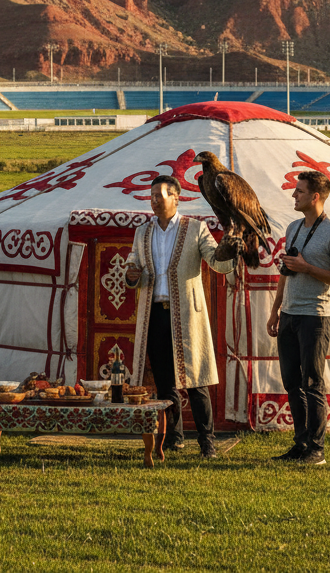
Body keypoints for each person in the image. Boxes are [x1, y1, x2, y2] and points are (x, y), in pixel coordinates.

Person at [124, 174, 236, 459]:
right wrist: (132, 275)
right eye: (151, 197)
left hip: (187, 314)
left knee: (196, 380)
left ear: (177, 197)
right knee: (164, 383)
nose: (153, 201)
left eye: (159, 196)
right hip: (155, 314)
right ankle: (173, 437)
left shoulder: (196, 229)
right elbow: (131, 267)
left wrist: (231, 248)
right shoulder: (142, 232)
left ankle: (207, 441)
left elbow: (217, 262)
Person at [267, 171, 330, 465]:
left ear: (315, 197)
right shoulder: (293, 228)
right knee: (291, 382)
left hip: (315, 316)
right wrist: (276, 309)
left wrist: (307, 268)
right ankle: (300, 444)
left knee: (312, 382)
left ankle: (317, 449)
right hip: (289, 313)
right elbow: (286, 272)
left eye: (299, 191)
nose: (294, 195)